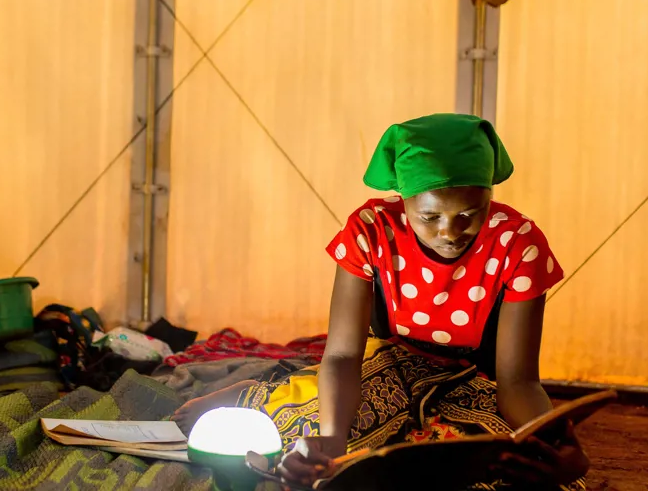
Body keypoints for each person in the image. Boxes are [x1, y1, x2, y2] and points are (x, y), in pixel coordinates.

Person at [173, 113, 589, 489]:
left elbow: (518, 381)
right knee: (303, 432)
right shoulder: (370, 231)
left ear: (489, 198)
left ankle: (288, 386)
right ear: (403, 201)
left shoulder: (519, 244)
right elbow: (341, 356)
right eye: (430, 217)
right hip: (384, 363)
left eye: (470, 213)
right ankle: (259, 392)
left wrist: (549, 445)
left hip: (467, 381)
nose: (450, 231)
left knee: (505, 470)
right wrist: (332, 445)